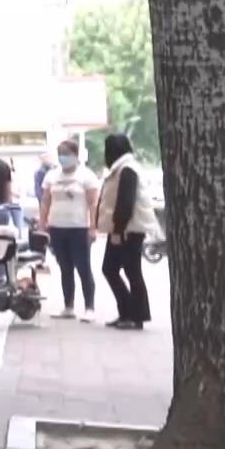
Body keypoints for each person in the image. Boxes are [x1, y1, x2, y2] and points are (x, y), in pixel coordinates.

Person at [96, 133, 158, 329]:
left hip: (128, 229)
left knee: (128, 271)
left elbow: (125, 202)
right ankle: (128, 313)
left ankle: (135, 315)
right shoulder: (122, 168)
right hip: (123, 228)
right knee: (114, 270)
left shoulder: (127, 170)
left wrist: (118, 230)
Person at [38, 139, 101, 321]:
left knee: (83, 267)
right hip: (57, 227)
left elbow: (93, 204)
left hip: (79, 227)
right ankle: (68, 306)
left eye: (66, 154)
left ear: (75, 155)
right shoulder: (51, 176)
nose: (63, 158)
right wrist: (42, 222)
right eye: (60, 154)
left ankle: (89, 307)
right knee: (65, 268)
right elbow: (45, 201)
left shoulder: (87, 176)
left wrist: (93, 227)